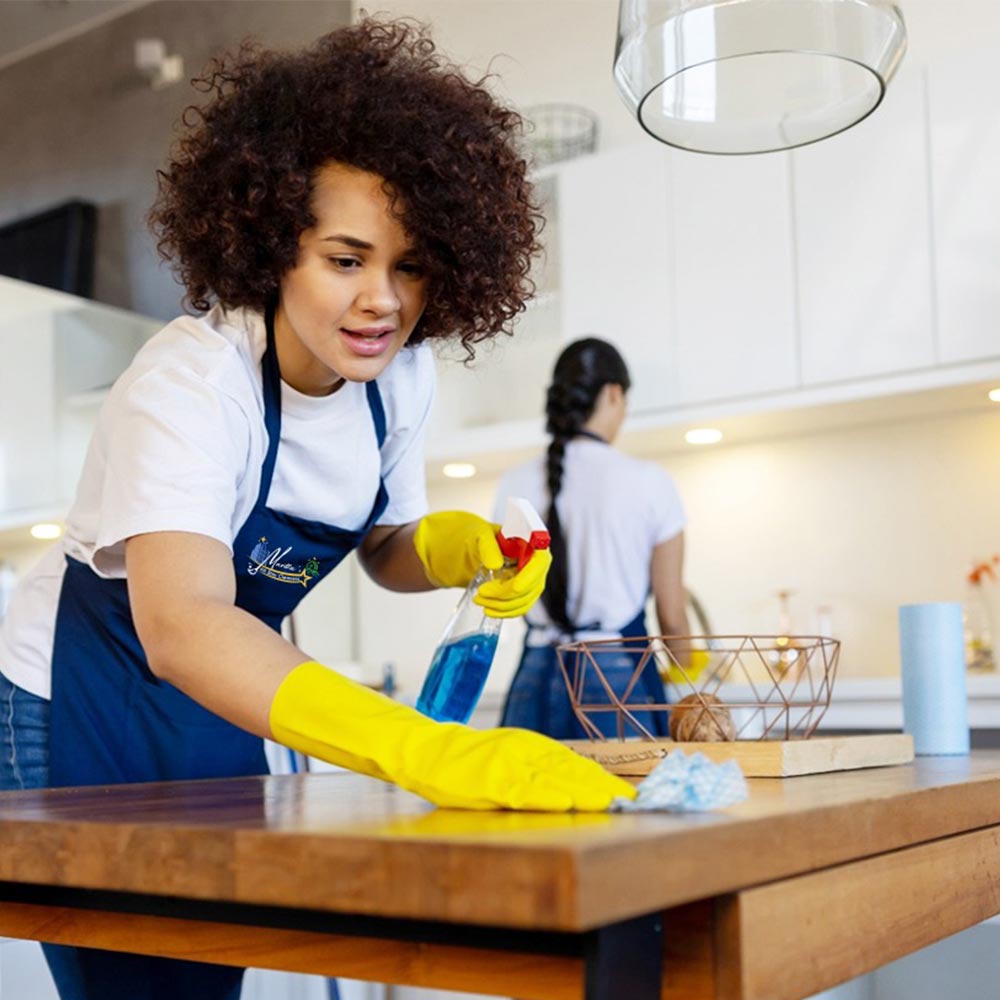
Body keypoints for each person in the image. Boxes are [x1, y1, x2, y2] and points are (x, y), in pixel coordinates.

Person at [0, 20, 633, 1000]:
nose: (382, 299)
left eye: (410, 265)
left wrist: (462, 548)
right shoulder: (192, 382)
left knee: (213, 966)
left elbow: (383, 544)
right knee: (131, 978)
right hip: (84, 691)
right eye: (346, 259)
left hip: (216, 688)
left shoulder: (397, 376)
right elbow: (182, 624)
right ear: (272, 247)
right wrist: (422, 748)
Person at [495, 337, 692, 740]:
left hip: (536, 669)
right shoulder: (649, 482)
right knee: (628, 799)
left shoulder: (514, 482)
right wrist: (689, 676)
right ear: (614, 394)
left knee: (529, 797)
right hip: (618, 675)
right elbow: (672, 613)